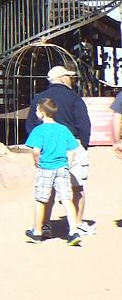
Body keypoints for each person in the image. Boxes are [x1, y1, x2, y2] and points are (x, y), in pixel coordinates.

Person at [24, 65, 92, 231]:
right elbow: (84, 124)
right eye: (69, 76)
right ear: (63, 78)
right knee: (76, 187)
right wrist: (83, 144)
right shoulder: (74, 98)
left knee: (47, 189)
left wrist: (40, 144)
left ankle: (44, 225)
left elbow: (31, 124)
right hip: (72, 145)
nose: (72, 79)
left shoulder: (40, 98)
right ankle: (77, 224)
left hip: (47, 148)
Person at [24, 98, 84, 246]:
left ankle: (37, 232)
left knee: (41, 199)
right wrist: (67, 164)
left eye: (37, 110)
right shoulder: (63, 129)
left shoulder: (38, 131)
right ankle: (73, 231)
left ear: (42, 113)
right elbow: (72, 150)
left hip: (46, 167)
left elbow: (36, 151)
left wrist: (37, 162)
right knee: (66, 199)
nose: (36, 112)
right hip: (62, 168)